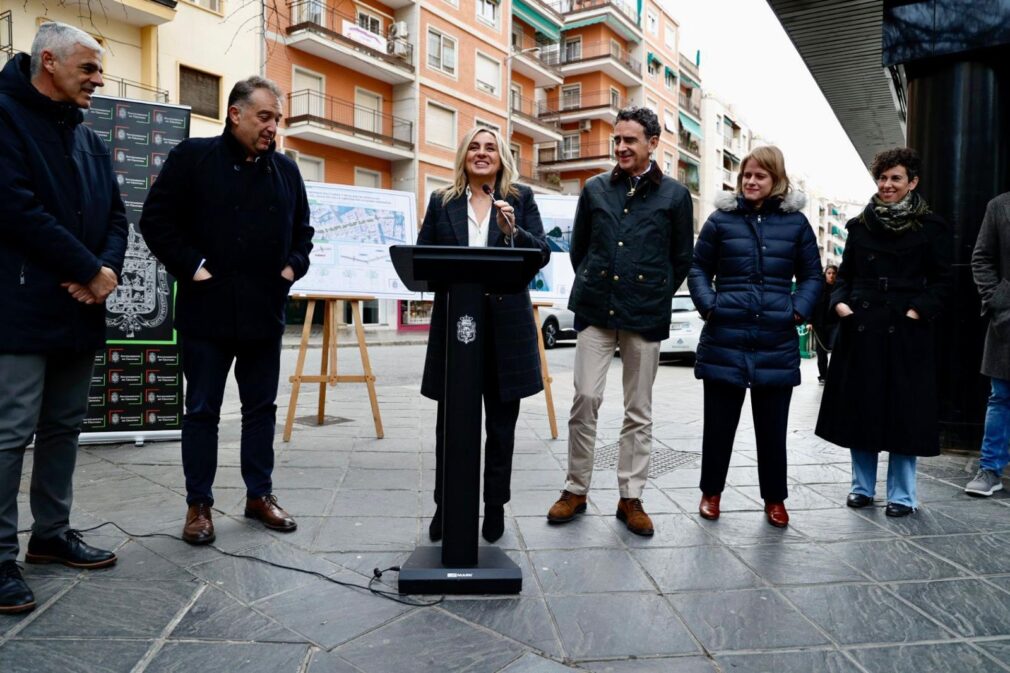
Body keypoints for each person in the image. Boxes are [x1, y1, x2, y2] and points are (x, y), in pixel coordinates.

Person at [140, 77, 314, 545]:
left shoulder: (287, 170)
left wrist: (290, 270)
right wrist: (192, 267)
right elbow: (155, 220)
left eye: (277, 119)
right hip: (206, 314)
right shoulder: (191, 158)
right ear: (235, 114)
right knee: (201, 411)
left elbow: (304, 233)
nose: (272, 127)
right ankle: (199, 505)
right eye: (265, 116)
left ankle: (259, 496)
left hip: (263, 312)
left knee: (261, 410)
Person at [0, 22, 128, 614]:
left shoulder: (87, 137)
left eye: (98, 70)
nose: (98, 81)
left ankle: (50, 536)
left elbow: (117, 218)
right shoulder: (4, 116)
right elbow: (14, 208)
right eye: (88, 69)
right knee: (9, 434)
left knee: (63, 427)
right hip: (20, 308)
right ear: (48, 61)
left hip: (80, 308)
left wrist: (102, 270)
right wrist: (88, 268)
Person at [547, 106, 694, 536]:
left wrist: (651, 291)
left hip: (644, 313)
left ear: (653, 144)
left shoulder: (675, 196)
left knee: (639, 410)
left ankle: (631, 498)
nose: (622, 147)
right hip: (595, 308)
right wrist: (597, 281)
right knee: (586, 399)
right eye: (618, 139)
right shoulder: (594, 189)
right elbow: (579, 250)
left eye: (630, 139)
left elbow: (680, 258)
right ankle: (575, 490)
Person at [418, 127, 550, 543]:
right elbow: (424, 258)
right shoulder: (443, 201)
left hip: (505, 329)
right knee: (450, 426)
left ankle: (494, 507)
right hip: (458, 327)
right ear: (463, 156)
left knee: (501, 427)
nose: (481, 152)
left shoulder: (519, 199)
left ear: (501, 157)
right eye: (474, 147)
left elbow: (541, 253)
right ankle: (446, 506)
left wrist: (513, 233)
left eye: (489, 147)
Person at [689, 146, 822, 528]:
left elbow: (813, 276)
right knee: (718, 427)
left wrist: (797, 310)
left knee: (772, 429)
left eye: (759, 176)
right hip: (724, 337)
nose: (750, 181)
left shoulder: (796, 224)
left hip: (774, 340)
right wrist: (709, 306)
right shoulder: (720, 220)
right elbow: (698, 268)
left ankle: (775, 499)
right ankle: (711, 493)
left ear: (776, 180)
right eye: (746, 174)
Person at [815, 147, 952, 516]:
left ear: (913, 182)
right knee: (863, 407)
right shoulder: (860, 226)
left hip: (907, 331)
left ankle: (902, 495)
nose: (887, 185)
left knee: (905, 412)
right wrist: (839, 303)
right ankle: (861, 487)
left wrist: (915, 310)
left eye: (896, 178)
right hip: (862, 326)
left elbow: (943, 280)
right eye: (883, 178)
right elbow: (845, 276)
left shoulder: (932, 227)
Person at [966, 192, 1010, 496]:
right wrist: (998, 303)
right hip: (1008, 318)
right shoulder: (999, 205)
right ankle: (990, 469)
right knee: (1001, 396)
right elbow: (981, 257)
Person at [810, 264, 839, 383]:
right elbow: (812, 304)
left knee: (836, 349)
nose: (831, 276)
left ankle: (834, 375)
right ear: (825, 274)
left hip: (835, 324)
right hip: (819, 324)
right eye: (829, 273)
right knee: (821, 352)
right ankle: (823, 376)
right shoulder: (818, 288)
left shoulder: (839, 288)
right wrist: (809, 322)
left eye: (833, 273)